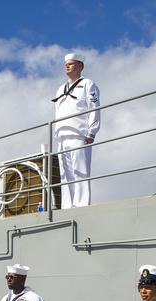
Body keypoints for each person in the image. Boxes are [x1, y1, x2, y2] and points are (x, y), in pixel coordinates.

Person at [52, 54, 101, 208]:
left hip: (79, 133)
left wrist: (91, 131)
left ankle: (81, 204)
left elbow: (94, 107)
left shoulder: (88, 84)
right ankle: (68, 205)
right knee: (65, 174)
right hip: (62, 135)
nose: (67, 66)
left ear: (80, 66)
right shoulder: (61, 88)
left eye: (71, 64)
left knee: (80, 170)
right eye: (66, 64)